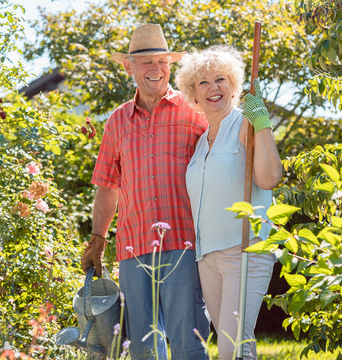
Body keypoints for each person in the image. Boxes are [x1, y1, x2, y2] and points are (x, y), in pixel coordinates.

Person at [80, 24, 210, 360]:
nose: (156, 69)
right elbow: (109, 187)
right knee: (143, 349)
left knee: (188, 342)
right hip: (133, 248)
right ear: (129, 67)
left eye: (162, 61)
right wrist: (98, 239)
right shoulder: (117, 121)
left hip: (184, 244)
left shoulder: (195, 112)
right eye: (146, 62)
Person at [175, 45, 282, 360]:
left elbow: (269, 178)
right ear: (193, 93)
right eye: (203, 82)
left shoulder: (243, 124)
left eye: (220, 79)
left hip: (244, 249)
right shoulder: (201, 141)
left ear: (233, 85)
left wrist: (261, 122)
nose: (213, 88)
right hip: (207, 257)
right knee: (234, 345)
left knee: (230, 349)